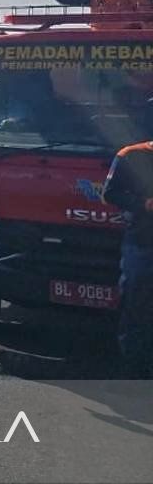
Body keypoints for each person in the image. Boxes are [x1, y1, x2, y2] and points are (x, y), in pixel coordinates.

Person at [102, 140, 153, 377]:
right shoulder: (131, 155)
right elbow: (110, 193)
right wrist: (143, 204)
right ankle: (134, 371)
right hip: (143, 244)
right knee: (136, 306)